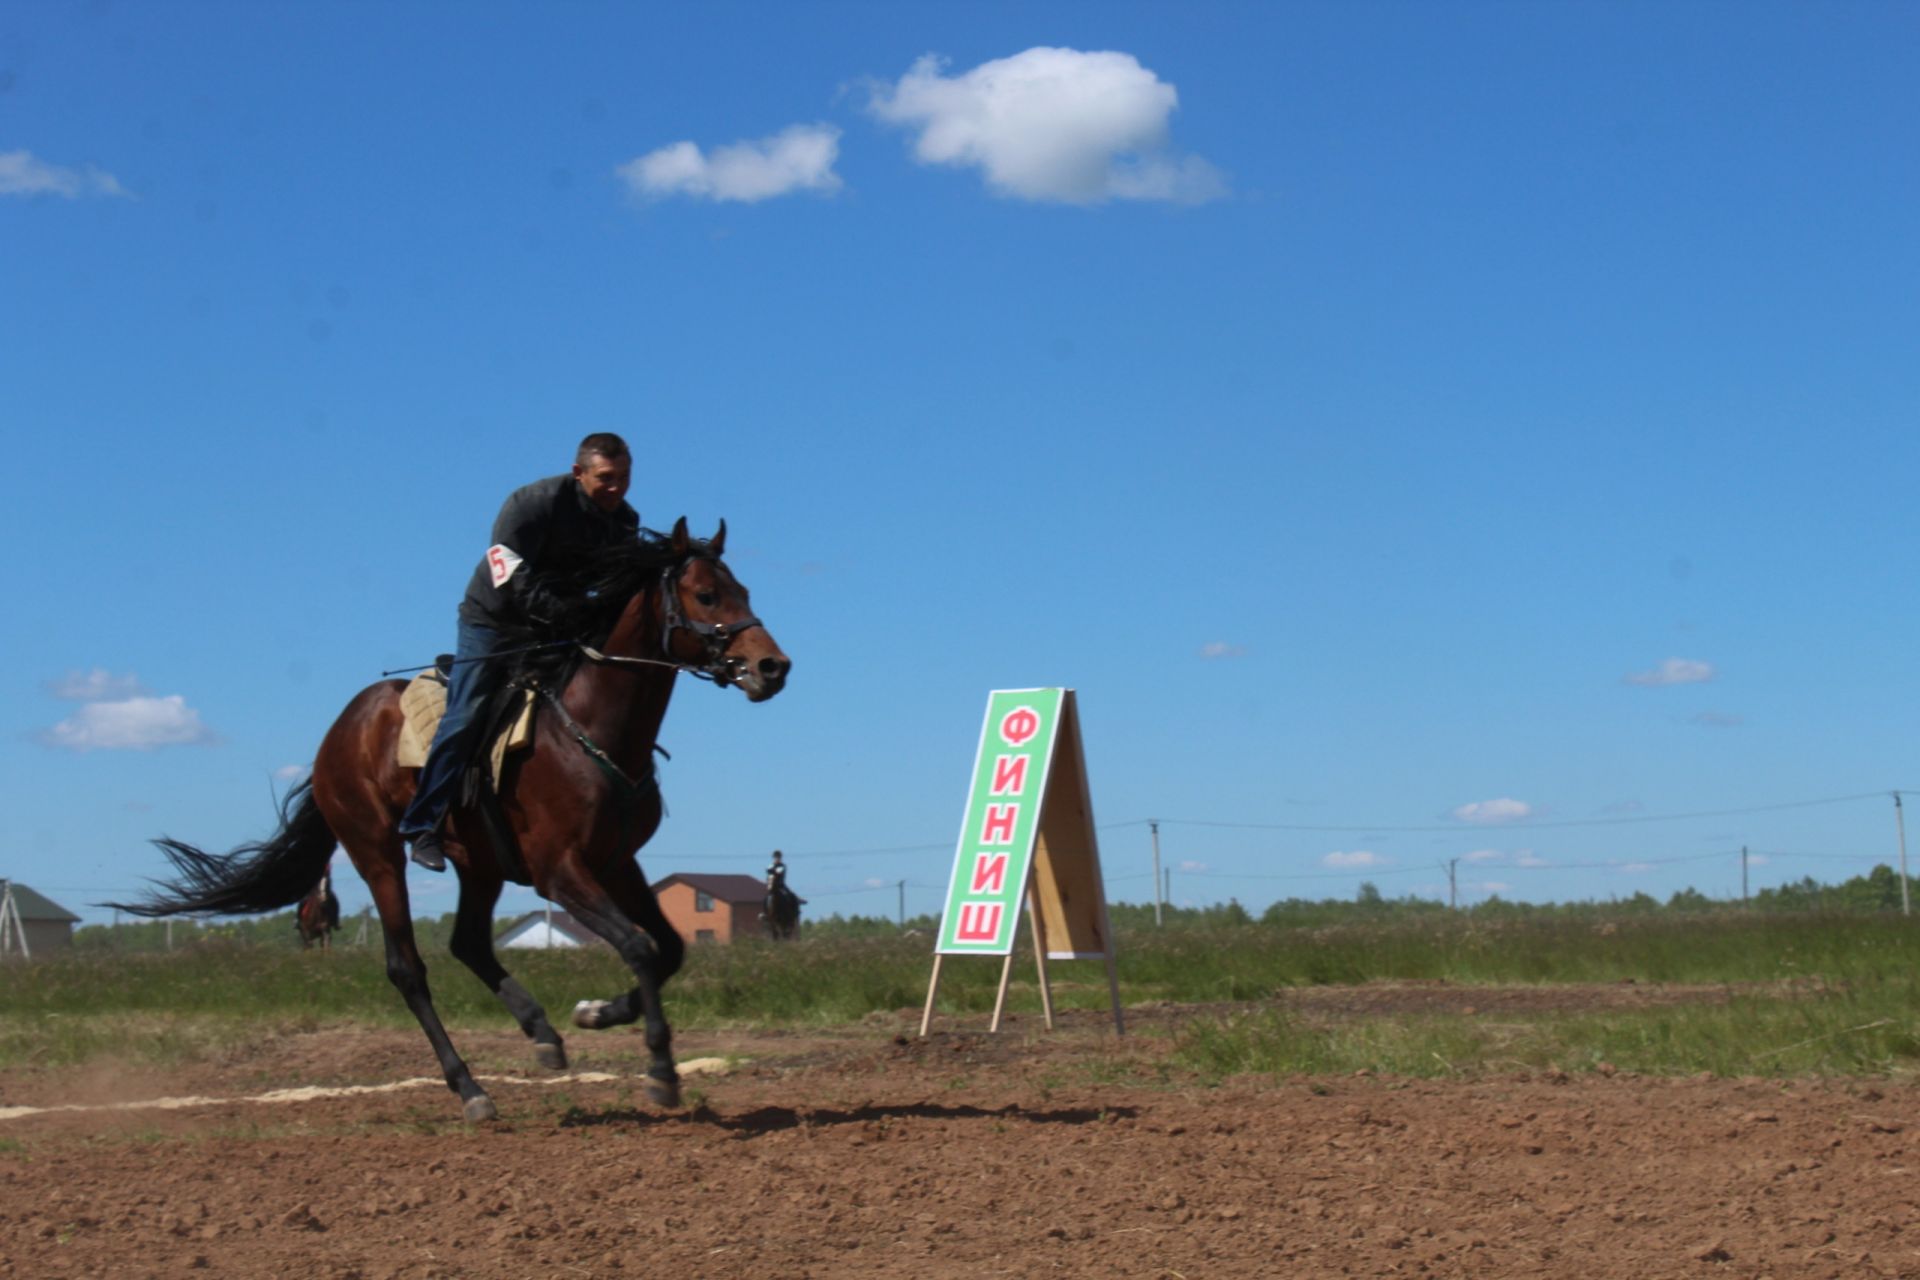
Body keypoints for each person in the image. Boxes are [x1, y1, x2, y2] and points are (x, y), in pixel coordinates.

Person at [399, 433, 640, 871]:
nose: (616, 488)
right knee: (467, 715)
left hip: (556, 628)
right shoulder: (531, 503)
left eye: (624, 477)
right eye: (606, 478)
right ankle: (423, 825)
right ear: (578, 473)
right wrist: (561, 611)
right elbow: (506, 569)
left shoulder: (624, 522)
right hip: (492, 623)